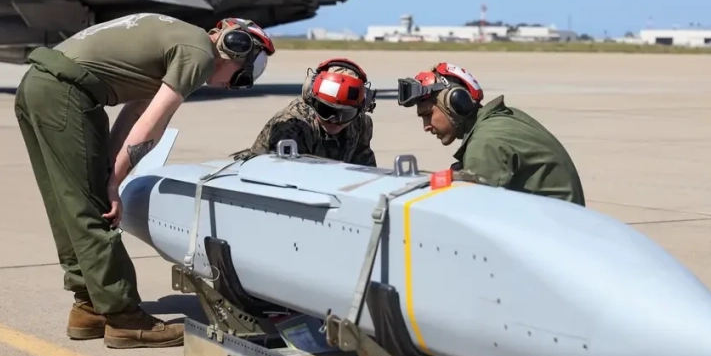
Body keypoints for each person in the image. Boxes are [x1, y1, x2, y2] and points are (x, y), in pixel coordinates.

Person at [13, 13, 276, 349]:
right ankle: (124, 319)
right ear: (235, 48)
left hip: (39, 85)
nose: (234, 84)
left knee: (69, 204)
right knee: (94, 212)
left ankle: (89, 306)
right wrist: (113, 184)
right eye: (245, 73)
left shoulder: (180, 41)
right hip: (65, 94)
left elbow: (136, 113)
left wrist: (110, 174)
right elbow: (153, 124)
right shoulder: (199, 55)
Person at [396, 62, 585, 206]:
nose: (426, 126)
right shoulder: (498, 121)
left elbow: (477, 213)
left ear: (455, 103)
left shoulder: (486, 142)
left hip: (553, 236)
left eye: (428, 115)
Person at [243, 57, 377, 166]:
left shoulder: (361, 124)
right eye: (325, 110)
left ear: (360, 110)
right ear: (311, 101)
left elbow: (365, 168)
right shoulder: (293, 125)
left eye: (345, 114)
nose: (333, 120)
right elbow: (287, 177)